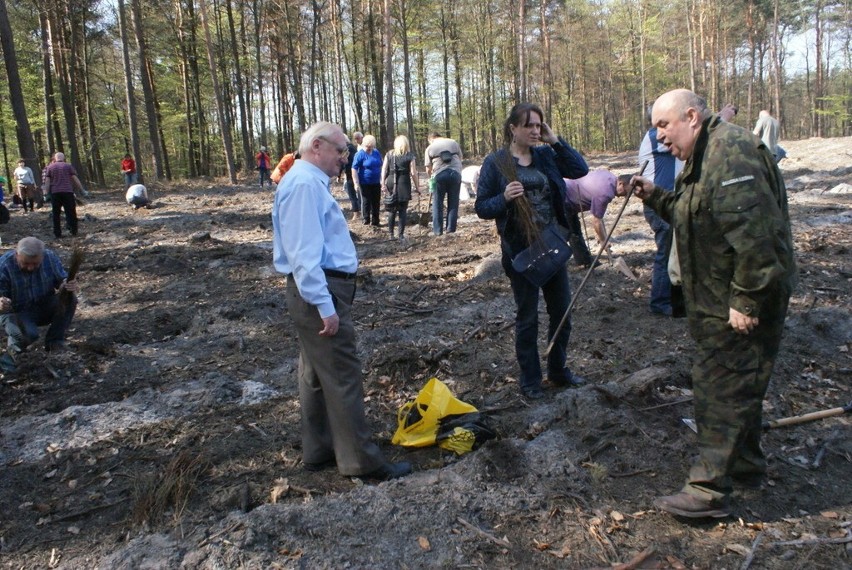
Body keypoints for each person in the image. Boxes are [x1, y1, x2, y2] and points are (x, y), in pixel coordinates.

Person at [631, 89, 796, 518]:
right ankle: (745, 468)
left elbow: (758, 239)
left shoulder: (730, 153)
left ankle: (707, 492)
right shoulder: (701, 157)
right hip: (716, 300)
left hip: (736, 304)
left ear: (692, 116)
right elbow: (695, 214)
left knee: (717, 391)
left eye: (664, 125)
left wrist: (746, 300)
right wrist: (653, 195)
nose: (659, 136)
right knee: (737, 386)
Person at [272, 121, 411, 481]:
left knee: (316, 374)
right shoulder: (304, 185)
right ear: (317, 147)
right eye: (340, 150)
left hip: (318, 290)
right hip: (320, 290)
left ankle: (319, 449)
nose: (344, 157)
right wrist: (326, 306)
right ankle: (361, 462)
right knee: (343, 375)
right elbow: (304, 255)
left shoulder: (306, 182)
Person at [475, 103, 589, 400]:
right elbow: (481, 208)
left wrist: (555, 141)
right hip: (520, 253)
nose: (535, 131)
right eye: (530, 126)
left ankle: (558, 370)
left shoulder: (545, 155)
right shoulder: (496, 162)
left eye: (539, 126)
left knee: (562, 311)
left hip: (551, 246)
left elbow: (580, 169)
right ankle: (530, 380)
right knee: (528, 318)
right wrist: (503, 198)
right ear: (513, 128)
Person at [0, 237, 78, 372]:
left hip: (43, 305)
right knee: (28, 334)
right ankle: (11, 356)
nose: (30, 268)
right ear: (16, 255)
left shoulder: (49, 257)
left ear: (42, 256)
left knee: (70, 299)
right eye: (25, 263)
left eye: (35, 264)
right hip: (17, 312)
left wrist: (66, 285)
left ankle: (55, 342)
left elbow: (61, 280)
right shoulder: (4, 265)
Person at [638, 104, 684, 316]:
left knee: (676, 251)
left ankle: (675, 300)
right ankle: (660, 302)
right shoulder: (655, 136)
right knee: (666, 252)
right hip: (658, 203)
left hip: (667, 201)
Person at [562, 169, 630, 256]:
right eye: (626, 191)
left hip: (567, 190)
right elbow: (596, 220)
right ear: (620, 183)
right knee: (565, 233)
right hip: (565, 200)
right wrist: (603, 241)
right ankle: (554, 263)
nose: (626, 195)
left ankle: (584, 261)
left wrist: (602, 236)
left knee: (574, 230)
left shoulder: (609, 176)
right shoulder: (605, 193)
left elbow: (599, 217)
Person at [380, 135, 419, 241]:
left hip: (391, 181)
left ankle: (391, 234)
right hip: (404, 182)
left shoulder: (389, 154)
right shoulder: (410, 155)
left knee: (392, 209)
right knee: (402, 210)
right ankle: (400, 234)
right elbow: (413, 172)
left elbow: (384, 168)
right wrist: (417, 187)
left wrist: (382, 182)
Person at [424, 132, 463, 236]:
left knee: (437, 203)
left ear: (431, 139)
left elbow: (428, 168)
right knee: (453, 202)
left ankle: (438, 231)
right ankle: (451, 230)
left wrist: (431, 178)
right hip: (455, 174)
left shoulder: (430, 147)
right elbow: (460, 158)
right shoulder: (453, 142)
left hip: (439, 175)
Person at [43, 152, 85, 239]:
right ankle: (73, 231)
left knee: (56, 213)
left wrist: (46, 193)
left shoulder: (50, 167)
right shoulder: (68, 166)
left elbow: (47, 181)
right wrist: (82, 190)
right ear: (63, 158)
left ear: (55, 158)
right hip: (67, 192)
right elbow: (75, 178)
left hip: (55, 193)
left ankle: (57, 233)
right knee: (71, 212)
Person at [352, 134, 383, 227]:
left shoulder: (376, 152)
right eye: (367, 147)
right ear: (363, 144)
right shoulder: (360, 154)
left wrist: (382, 179)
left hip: (376, 182)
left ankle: (375, 221)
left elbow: (381, 164)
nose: (369, 149)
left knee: (376, 201)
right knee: (366, 201)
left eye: (371, 147)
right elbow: (354, 169)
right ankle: (366, 220)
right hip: (364, 182)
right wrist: (356, 183)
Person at [341, 132, 363, 218]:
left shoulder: (348, 149)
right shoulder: (352, 148)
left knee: (352, 193)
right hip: (353, 172)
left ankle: (356, 212)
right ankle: (359, 209)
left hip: (351, 174)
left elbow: (343, 161)